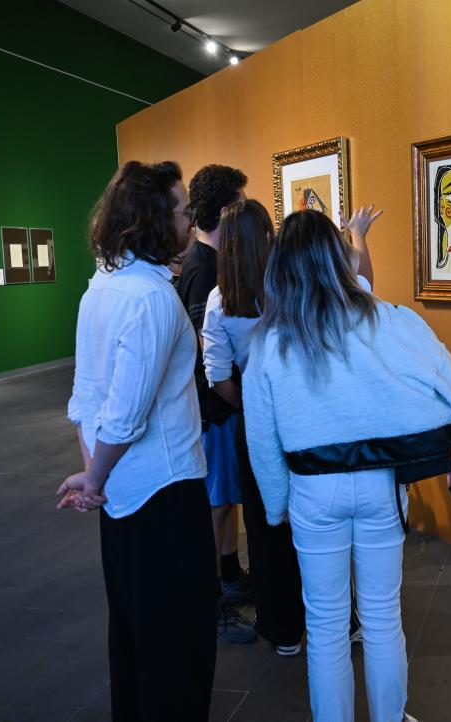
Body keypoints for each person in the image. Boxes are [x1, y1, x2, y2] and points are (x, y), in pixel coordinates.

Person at [242, 208, 451, 722]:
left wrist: (276, 505)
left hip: (312, 491)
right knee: (383, 618)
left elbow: (262, 440)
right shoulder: (384, 319)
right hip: (381, 483)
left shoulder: (268, 343)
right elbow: (447, 376)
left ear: (279, 267)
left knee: (325, 626)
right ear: (336, 258)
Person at [58, 160, 217, 721]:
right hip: (164, 492)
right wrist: (95, 476)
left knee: (133, 634)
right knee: (178, 642)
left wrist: (95, 478)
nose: (190, 220)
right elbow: (124, 414)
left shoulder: (100, 287)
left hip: (123, 495)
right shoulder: (151, 299)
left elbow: (85, 399)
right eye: (182, 211)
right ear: (153, 219)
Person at [201, 199, 306, 656]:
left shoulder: (219, 300)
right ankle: (333, 618)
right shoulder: (291, 284)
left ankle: (282, 629)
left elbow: (216, 374)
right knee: (312, 518)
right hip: (303, 417)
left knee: (265, 525)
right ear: (267, 237)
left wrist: (250, 405)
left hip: (257, 424)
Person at [178, 163, 256, 644]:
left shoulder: (207, 262)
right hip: (215, 409)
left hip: (220, 406)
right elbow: (206, 355)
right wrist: (236, 399)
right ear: (227, 210)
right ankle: (209, 600)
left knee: (226, 500)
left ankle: (229, 573)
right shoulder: (203, 269)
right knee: (216, 504)